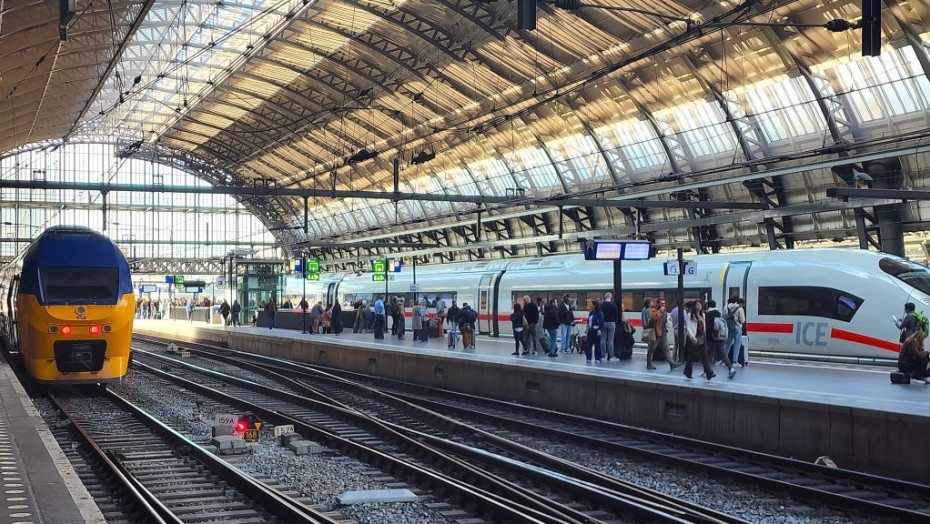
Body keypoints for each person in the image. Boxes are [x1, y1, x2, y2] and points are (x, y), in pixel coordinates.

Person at [683, 300, 715, 380]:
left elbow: (704, 327)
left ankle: (709, 372)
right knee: (691, 355)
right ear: (694, 307)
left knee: (704, 355)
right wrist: (692, 337)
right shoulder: (690, 315)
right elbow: (689, 327)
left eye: (700, 305)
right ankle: (688, 371)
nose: (699, 306)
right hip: (694, 336)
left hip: (702, 335)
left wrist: (705, 335)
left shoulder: (702, 315)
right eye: (697, 305)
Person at [706, 300, 737, 379]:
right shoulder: (719, 314)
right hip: (721, 338)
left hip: (712, 338)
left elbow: (708, 328)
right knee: (722, 354)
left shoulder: (708, 315)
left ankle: (707, 371)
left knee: (709, 355)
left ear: (708, 306)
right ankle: (731, 368)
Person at [647, 299, 680, 371]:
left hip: (663, 332)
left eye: (664, 304)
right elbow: (653, 317)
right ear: (658, 304)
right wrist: (661, 311)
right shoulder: (653, 310)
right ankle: (648, 363)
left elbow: (665, 321)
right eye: (662, 303)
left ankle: (672, 363)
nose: (663, 305)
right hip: (656, 333)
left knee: (666, 349)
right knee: (652, 348)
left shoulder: (664, 312)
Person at [723, 297, 746, 366]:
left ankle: (724, 361)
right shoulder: (740, 309)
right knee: (737, 345)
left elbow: (724, 317)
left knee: (727, 344)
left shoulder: (726, 307)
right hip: (737, 327)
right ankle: (735, 361)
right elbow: (742, 320)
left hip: (729, 327)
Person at [600, 292, 619, 360]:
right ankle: (611, 356)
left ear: (605, 297)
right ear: (610, 297)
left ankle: (603, 356)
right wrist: (615, 320)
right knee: (610, 340)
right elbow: (616, 314)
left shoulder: (601, 305)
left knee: (603, 340)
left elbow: (600, 314)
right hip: (611, 323)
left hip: (603, 323)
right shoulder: (613, 305)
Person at [585, 300, 604, 364]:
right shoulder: (591, 313)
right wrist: (587, 327)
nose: (592, 306)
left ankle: (598, 358)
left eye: (593, 305)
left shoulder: (599, 313)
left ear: (596, 305)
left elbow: (601, 322)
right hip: (590, 331)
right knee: (588, 345)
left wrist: (600, 330)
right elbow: (588, 321)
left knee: (597, 345)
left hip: (596, 331)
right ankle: (588, 358)